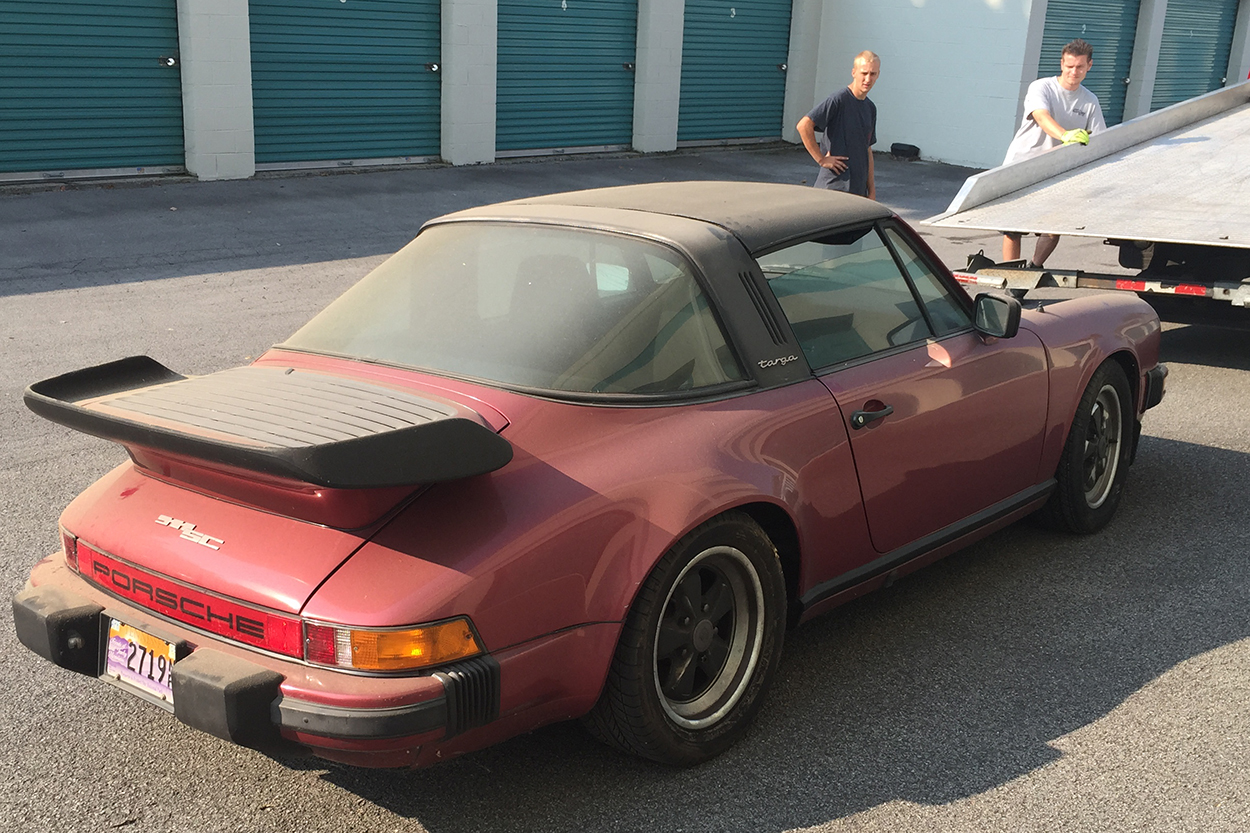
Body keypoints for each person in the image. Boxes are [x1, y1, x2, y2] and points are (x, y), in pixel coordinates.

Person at [1001, 38, 1107, 266]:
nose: (1073, 72)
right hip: (1023, 164)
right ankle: (1009, 275)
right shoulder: (1042, 87)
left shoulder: (1090, 101)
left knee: (1052, 228)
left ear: (1089, 65)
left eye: (1079, 67)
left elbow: (1100, 140)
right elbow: (1041, 116)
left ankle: (1032, 268)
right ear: (1061, 64)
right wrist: (1065, 135)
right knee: (1013, 228)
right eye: (1069, 66)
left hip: (1057, 171)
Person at [798, 51, 880, 199]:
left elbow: (867, 149)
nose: (868, 79)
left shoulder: (870, 108)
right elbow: (804, 126)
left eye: (873, 74)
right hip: (833, 188)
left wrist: (871, 190)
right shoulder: (839, 100)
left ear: (878, 75)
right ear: (853, 72)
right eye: (864, 73)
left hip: (858, 191)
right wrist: (822, 159)